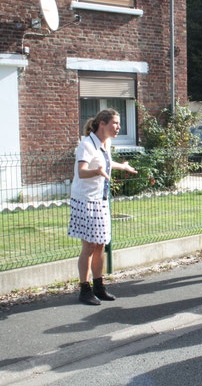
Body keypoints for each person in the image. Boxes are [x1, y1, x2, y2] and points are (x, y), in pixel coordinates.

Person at [69, 108, 137, 305]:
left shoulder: (105, 143)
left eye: (118, 124)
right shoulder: (86, 144)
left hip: (101, 200)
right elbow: (82, 171)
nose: (118, 127)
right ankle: (85, 289)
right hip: (85, 201)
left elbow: (105, 162)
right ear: (102, 124)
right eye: (115, 123)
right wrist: (96, 172)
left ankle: (99, 287)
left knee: (100, 245)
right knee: (88, 246)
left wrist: (121, 166)